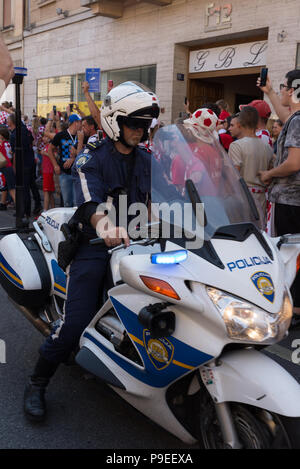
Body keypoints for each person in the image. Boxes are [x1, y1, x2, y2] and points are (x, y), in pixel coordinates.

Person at [23, 81, 160, 421]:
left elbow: (155, 201)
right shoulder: (92, 158)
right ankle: (38, 382)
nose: (140, 131)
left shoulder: (146, 159)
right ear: (115, 121)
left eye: (145, 125)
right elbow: (89, 202)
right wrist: (104, 226)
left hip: (138, 244)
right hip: (94, 244)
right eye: (134, 123)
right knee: (75, 322)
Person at [258, 69, 300, 327]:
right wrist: (269, 92)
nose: (282, 90)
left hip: (290, 201)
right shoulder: (295, 119)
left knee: (287, 256)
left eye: (285, 87)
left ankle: (292, 309)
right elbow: (288, 115)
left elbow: (294, 162)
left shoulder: (297, 121)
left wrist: (269, 174)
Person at [228, 107, 273, 230]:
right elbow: (270, 175)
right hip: (261, 198)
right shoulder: (267, 148)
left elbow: (233, 175)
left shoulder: (236, 146)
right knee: (258, 233)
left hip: (242, 199)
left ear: (240, 124)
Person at [7, 113, 42, 218]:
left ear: (12, 121)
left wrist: (14, 167)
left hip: (23, 164)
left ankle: (25, 211)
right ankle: (37, 205)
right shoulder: (25, 130)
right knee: (32, 185)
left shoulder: (14, 135)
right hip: (30, 161)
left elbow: (15, 154)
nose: (6, 121)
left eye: (8, 120)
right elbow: (31, 142)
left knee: (24, 188)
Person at [48, 114, 82, 207]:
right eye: (80, 122)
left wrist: (73, 158)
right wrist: (55, 165)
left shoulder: (81, 136)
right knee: (67, 202)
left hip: (78, 174)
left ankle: (76, 221)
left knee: (77, 203)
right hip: (65, 173)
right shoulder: (61, 135)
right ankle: (68, 221)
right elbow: (49, 149)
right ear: (75, 123)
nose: (81, 125)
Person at [0, 127, 16, 210]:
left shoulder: (3, 144)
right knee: (6, 187)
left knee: (11, 188)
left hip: (6, 167)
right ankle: (2, 203)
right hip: (7, 167)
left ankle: (19, 206)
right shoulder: (8, 144)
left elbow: (8, 157)